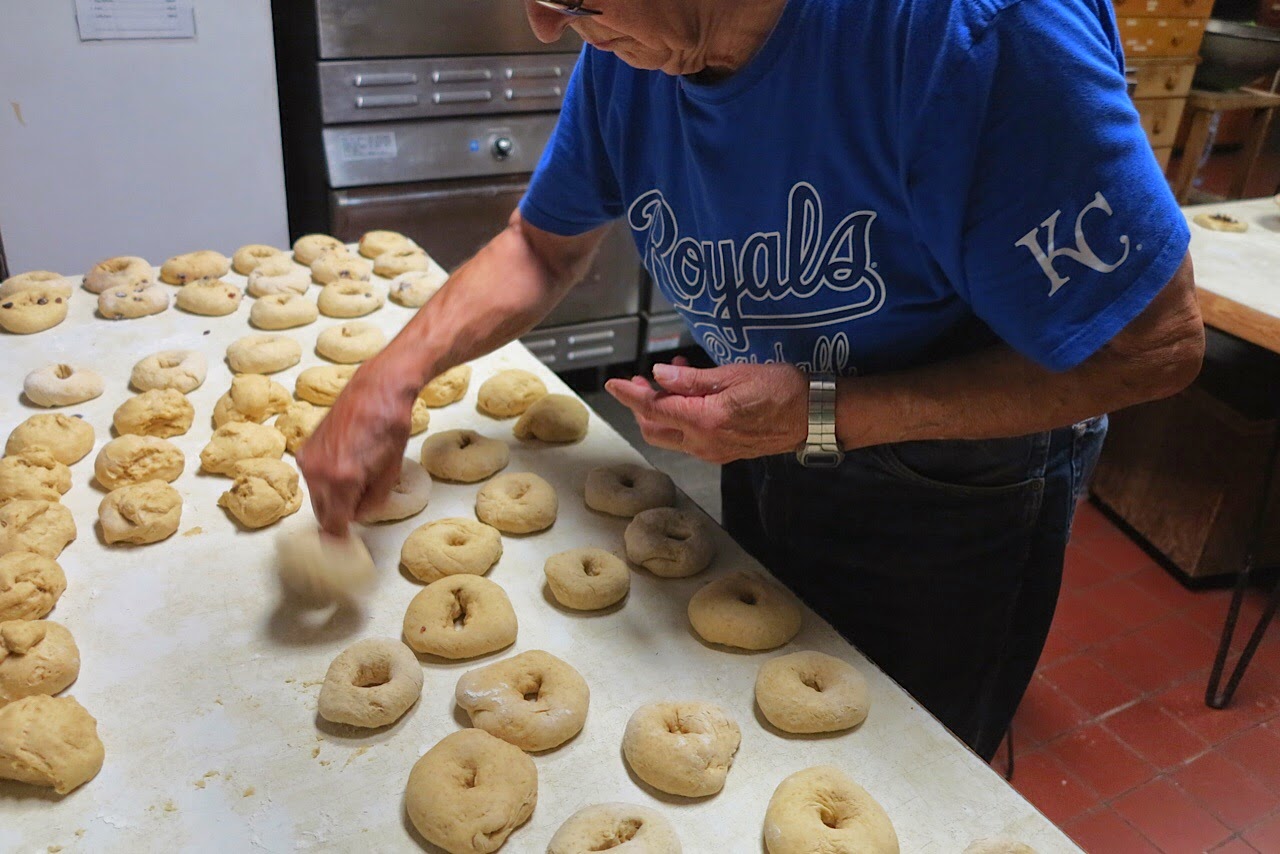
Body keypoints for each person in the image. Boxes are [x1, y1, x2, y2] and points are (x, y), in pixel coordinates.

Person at [297, 0, 1204, 759]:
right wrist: (392, 376)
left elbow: (1156, 347)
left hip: (955, 490)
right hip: (766, 428)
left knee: (907, 765)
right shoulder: (632, 46)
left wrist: (820, 414)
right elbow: (542, 246)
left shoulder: (975, 40)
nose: (543, 24)